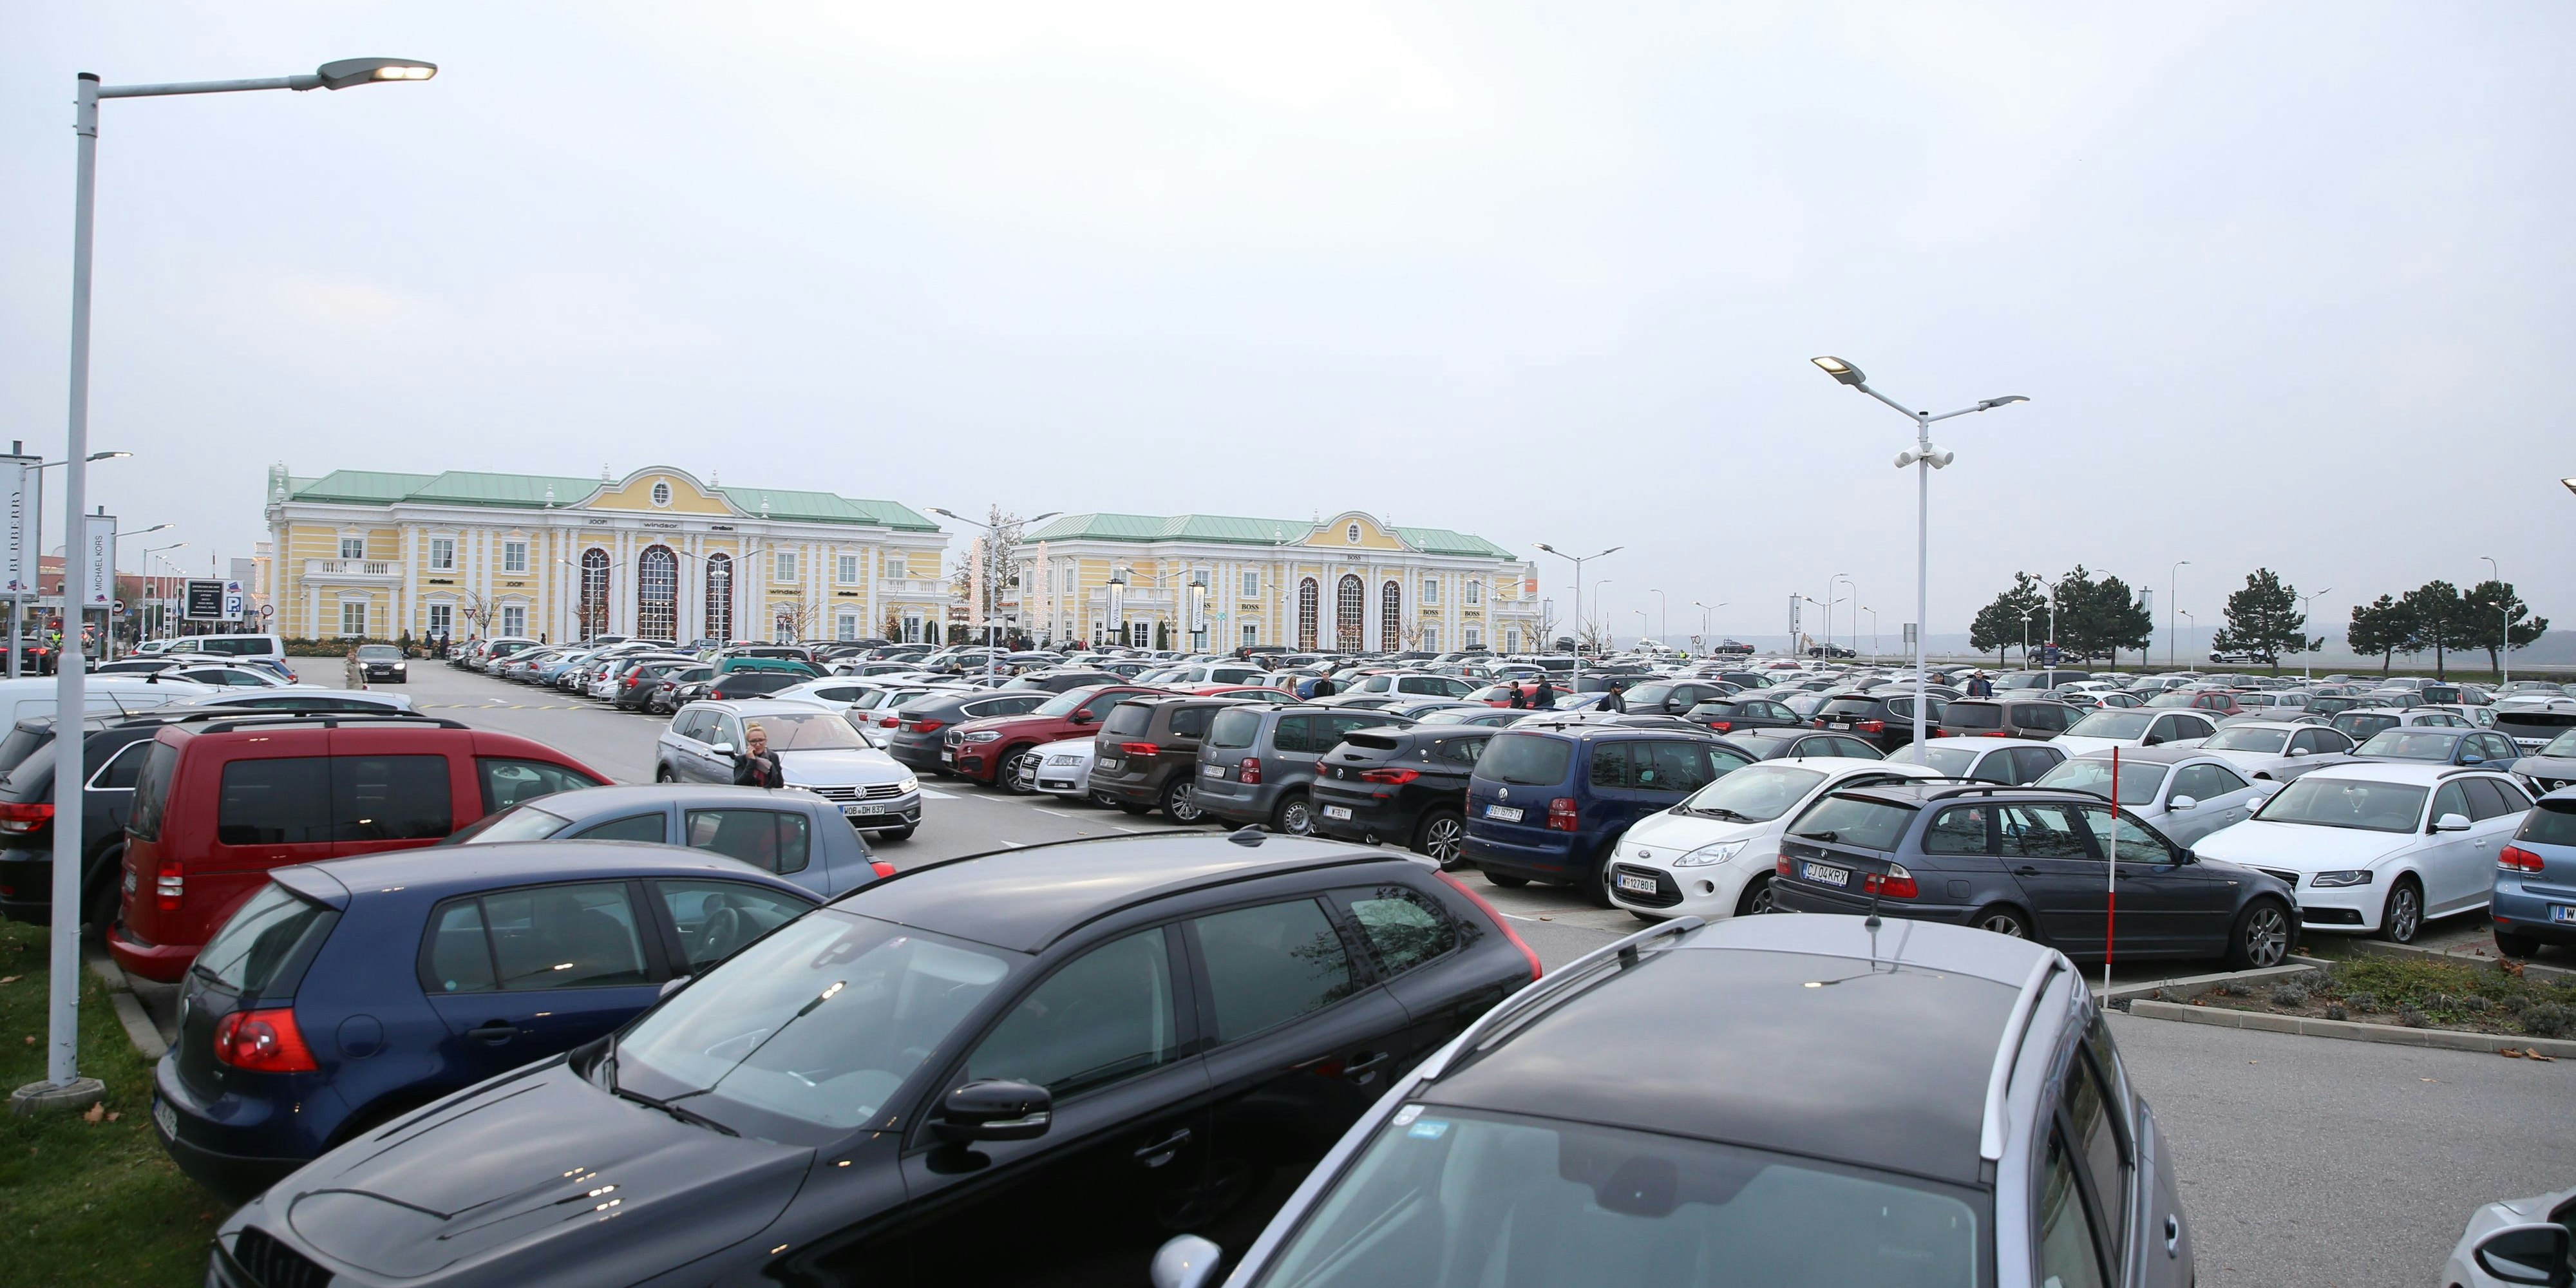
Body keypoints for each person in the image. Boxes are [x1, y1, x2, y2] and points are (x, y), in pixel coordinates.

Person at [732, 721, 786, 788]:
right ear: (748, 742)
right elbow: (739, 784)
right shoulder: (741, 759)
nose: (758, 744)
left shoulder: (773, 757)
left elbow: (780, 784)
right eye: (753, 741)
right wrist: (752, 762)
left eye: (761, 740)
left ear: (766, 741)